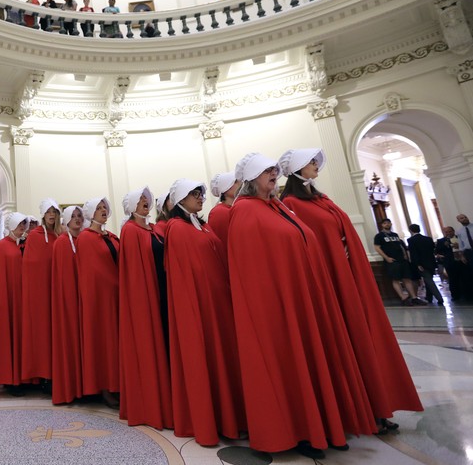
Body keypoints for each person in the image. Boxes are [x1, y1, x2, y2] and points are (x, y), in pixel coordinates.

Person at [228, 153, 376, 459]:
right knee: (291, 363)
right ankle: (302, 430)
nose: (273, 174)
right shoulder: (244, 211)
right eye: (266, 170)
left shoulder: (276, 205)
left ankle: (325, 424)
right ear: (252, 177)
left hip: (304, 298)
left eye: (274, 170)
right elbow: (251, 269)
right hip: (277, 308)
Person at [278, 148, 424, 436]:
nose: (315, 165)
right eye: (310, 163)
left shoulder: (319, 198)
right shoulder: (292, 204)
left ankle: (377, 406)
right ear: (297, 169)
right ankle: (361, 411)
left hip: (346, 277)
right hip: (329, 283)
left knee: (365, 339)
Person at [164, 179, 245, 444]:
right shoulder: (177, 228)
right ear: (179, 200)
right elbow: (183, 274)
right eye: (193, 194)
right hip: (202, 306)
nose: (200, 198)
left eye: (200, 193)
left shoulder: (201, 224)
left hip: (219, 303)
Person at [117, 187, 172, 430]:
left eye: (146, 200)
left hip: (162, 291)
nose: (144, 203)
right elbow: (134, 274)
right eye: (139, 200)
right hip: (147, 296)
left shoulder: (152, 228)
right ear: (131, 206)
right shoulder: (130, 230)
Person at [77, 197, 120, 408]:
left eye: (105, 207)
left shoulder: (109, 236)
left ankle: (118, 383)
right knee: (104, 342)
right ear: (91, 212)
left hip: (116, 295)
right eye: (99, 208)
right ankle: (105, 386)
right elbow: (91, 273)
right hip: (100, 299)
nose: (104, 210)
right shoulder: (86, 238)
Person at [0, 212, 28, 395]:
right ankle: (11, 379)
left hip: (22, 298)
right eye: (19, 225)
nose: (22, 228)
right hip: (8, 299)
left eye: (24, 225)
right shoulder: (1, 247)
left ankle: (23, 376)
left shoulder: (24, 245)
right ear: (11, 226)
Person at [21, 199, 61, 389]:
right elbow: (31, 266)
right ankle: (45, 375)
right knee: (43, 332)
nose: (52, 215)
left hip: (59, 291)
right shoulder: (35, 237)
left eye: (54, 212)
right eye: (48, 212)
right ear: (43, 215)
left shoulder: (62, 235)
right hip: (41, 293)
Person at [51, 205, 84, 405]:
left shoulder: (85, 238)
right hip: (70, 301)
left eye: (80, 215)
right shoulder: (62, 243)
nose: (77, 219)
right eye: (73, 216)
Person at [374, 218, 427, 306]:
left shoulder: (395, 235)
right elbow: (377, 247)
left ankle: (414, 297)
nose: (387, 225)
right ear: (382, 225)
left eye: (388, 223)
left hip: (402, 260)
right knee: (396, 279)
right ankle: (403, 297)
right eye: (385, 223)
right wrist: (387, 258)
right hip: (392, 260)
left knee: (407, 278)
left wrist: (405, 255)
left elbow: (400, 245)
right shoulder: (379, 236)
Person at [407, 224, 445, 305]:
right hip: (431, 262)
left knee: (429, 281)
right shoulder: (428, 239)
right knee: (429, 279)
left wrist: (417, 264)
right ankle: (429, 297)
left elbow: (414, 253)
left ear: (410, 230)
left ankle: (439, 298)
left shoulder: (411, 240)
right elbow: (432, 250)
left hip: (421, 264)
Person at [207, 172, 239, 245]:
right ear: (226, 188)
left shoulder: (236, 208)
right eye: (235, 182)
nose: (240, 184)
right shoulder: (219, 212)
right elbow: (224, 243)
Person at [436, 226, 466, 300]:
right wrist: (445, 246)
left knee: (464, 278)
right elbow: (438, 251)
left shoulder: (460, 238)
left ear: (453, 231)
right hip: (450, 262)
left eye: (450, 231)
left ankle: (466, 294)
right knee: (453, 279)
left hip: (462, 260)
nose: (448, 233)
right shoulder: (441, 241)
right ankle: (455, 295)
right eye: (446, 232)